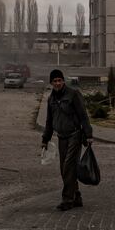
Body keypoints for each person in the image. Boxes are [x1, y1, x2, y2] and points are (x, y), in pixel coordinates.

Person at [41, 68, 93, 211]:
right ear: (51, 83)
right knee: (64, 168)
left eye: (59, 80)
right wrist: (45, 139)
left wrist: (88, 134)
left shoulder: (73, 94)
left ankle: (67, 199)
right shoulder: (51, 99)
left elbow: (83, 115)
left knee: (68, 167)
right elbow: (49, 121)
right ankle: (76, 196)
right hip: (61, 137)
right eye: (54, 81)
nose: (57, 83)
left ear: (63, 81)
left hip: (75, 135)